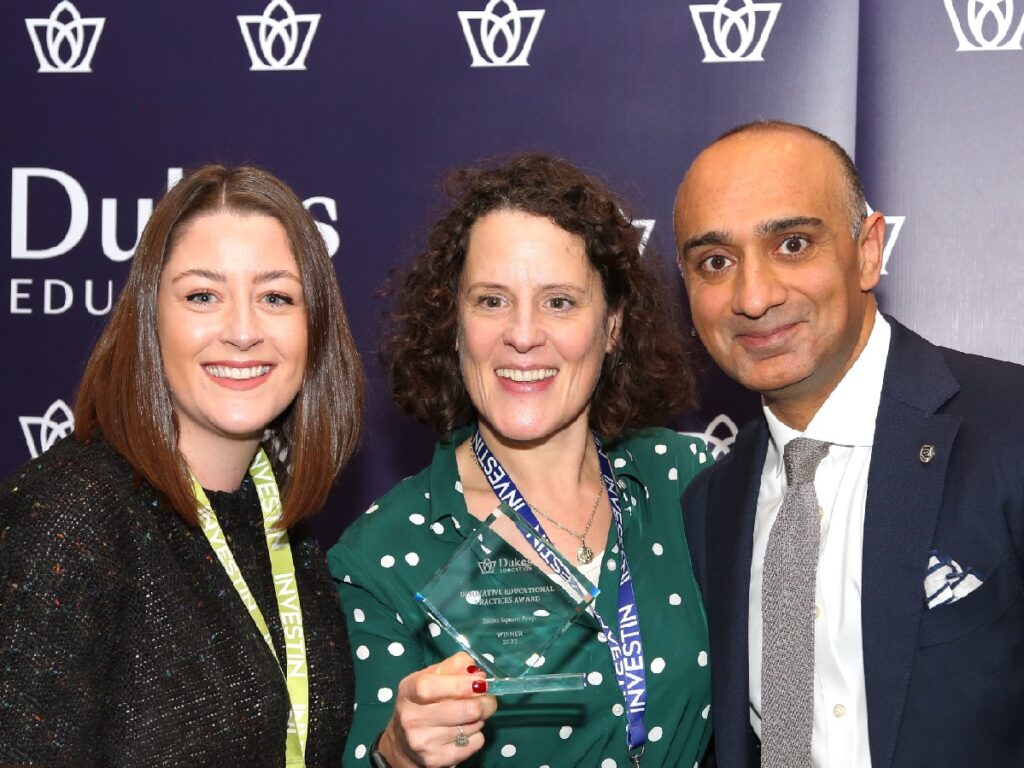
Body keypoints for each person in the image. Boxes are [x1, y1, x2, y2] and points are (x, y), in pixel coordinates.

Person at [329, 154, 713, 767]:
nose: (524, 334)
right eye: (491, 301)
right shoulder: (382, 555)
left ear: (612, 325)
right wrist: (395, 755)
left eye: (559, 302)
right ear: (453, 323)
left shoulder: (683, 482)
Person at [674, 120, 1024, 768]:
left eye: (793, 243)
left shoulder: (1009, 430)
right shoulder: (709, 504)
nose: (753, 297)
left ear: (867, 249)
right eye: (715, 262)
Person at [0, 164, 365, 766]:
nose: (243, 331)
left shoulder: (277, 527)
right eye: (203, 296)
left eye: (276, 297)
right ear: (150, 320)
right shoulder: (70, 518)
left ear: (315, 328)